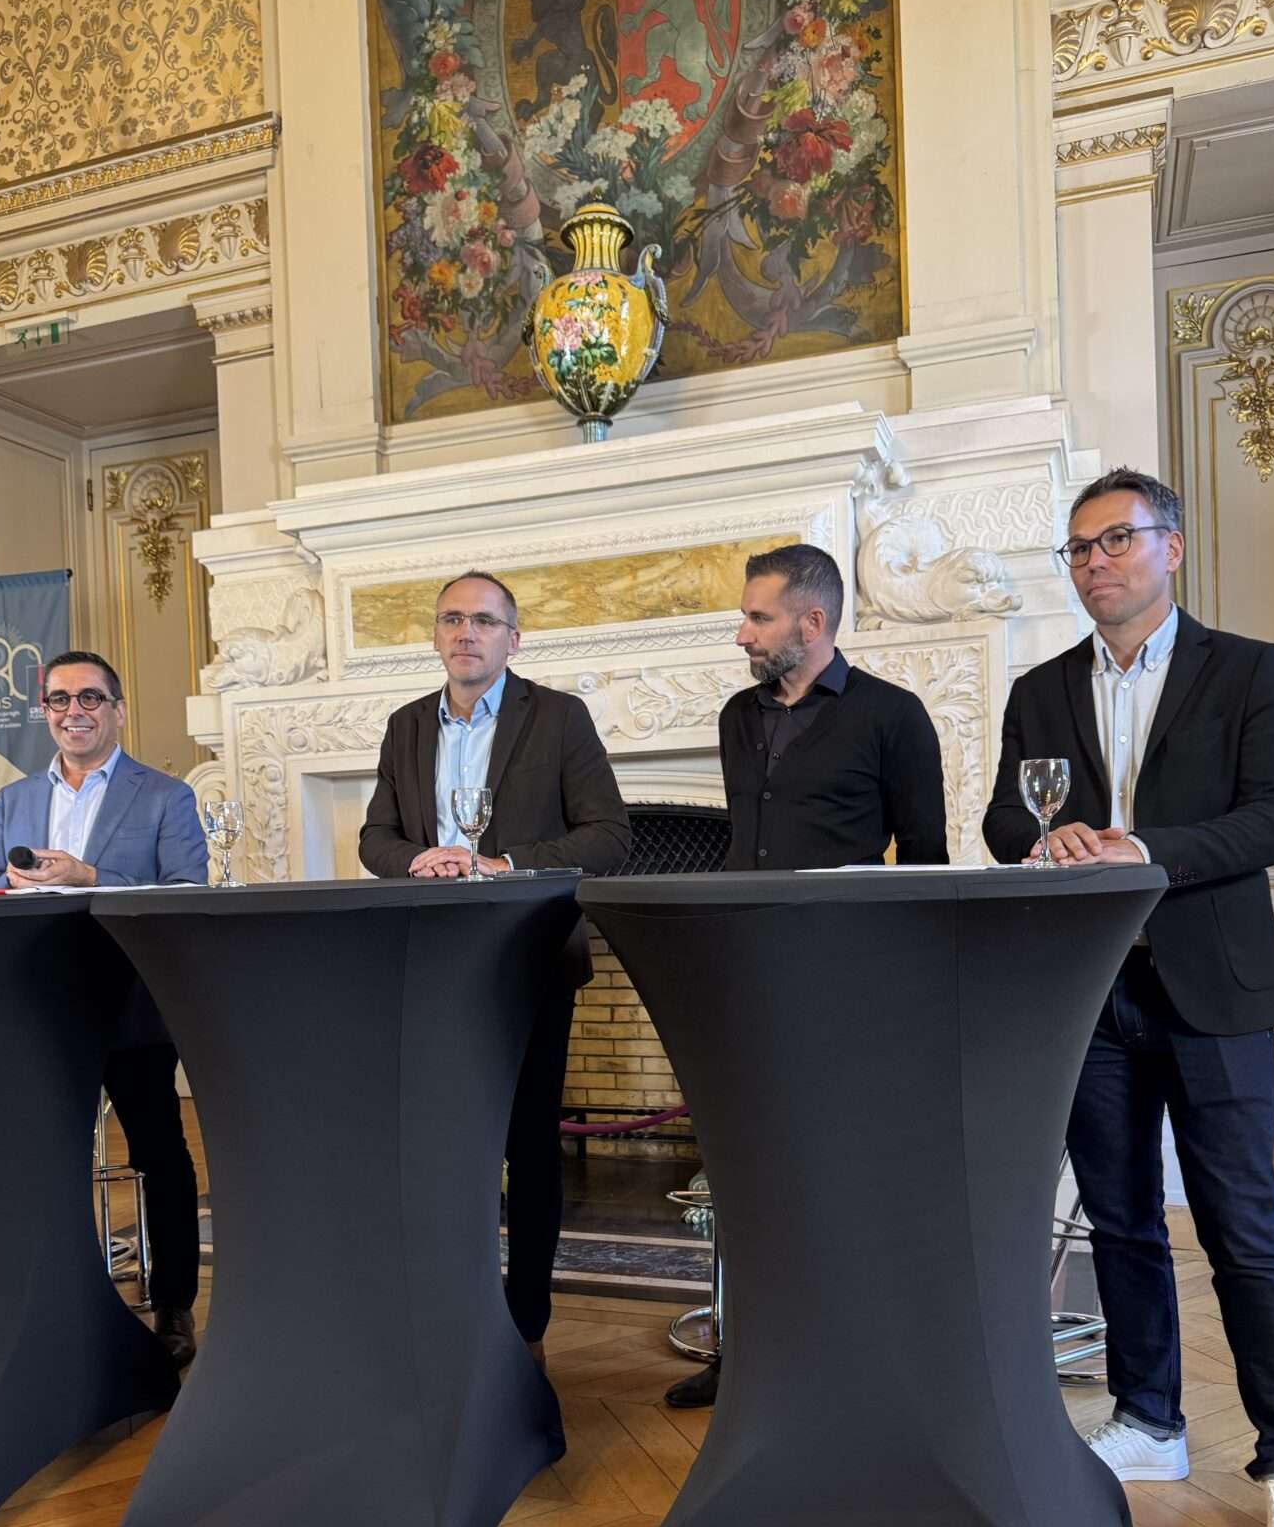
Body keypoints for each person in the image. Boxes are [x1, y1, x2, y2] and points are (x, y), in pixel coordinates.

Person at [983, 465, 1274, 1527]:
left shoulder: (1246, 671)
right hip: (1088, 990)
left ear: (1168, 549)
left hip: (1212, 989)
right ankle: (1147, 1418)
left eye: (1114, 541)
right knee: (1120, 1221)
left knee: (1243, 1227)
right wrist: (1051, 840)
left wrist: (1148, 849)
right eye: (1077, 549)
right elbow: (1002, 820)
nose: (1094, 564)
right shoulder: (1037, 688)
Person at [667, 542, 949, 1407]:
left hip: (849, 988)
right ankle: (744, 1359)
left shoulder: (894, 717)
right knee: (749, 1174)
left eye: (758, 617)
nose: (742, 634)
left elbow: (927, 865)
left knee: (841, 1178)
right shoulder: (736, 717)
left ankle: (853, 1360)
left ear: (812, 622)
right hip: (749, 982)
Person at [358, 574, 631, 1363]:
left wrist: (501, 861)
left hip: (529, 957)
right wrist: (420, 859)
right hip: (430, 964)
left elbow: (610, 836)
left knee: (529, 1145)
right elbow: (376, 837)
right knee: (444, 1145)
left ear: (514, 638)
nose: (466, 632)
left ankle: (528, 1325)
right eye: (452, 618)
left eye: (484, 620)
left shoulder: (558, 717)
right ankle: (454, 1310)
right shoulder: (407, 725)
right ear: (436, 635)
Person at [0, 651, 208, 1368]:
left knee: (160, 1154)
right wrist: (7, 888)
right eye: (59, 699)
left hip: (134, 1004)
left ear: (118, 709)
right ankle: (62, 1300)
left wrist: (92, 877)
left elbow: (188, 892)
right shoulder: (13, 799)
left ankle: (173, 1305)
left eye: (91, 699)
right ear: (44, 709)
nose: (74, 711)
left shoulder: (165, 796)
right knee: (48, 1159)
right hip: (45, 1005)